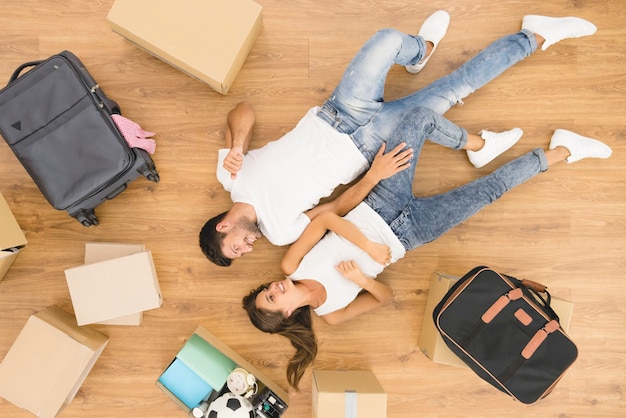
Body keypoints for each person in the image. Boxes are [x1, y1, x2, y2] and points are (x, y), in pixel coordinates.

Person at [242, 105, 612, 390]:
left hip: (381, 202)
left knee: (418, 119)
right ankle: (563, 150)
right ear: (288, 316)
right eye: (273, 299)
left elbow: (324, 221)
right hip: (412, 235)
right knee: (488, 192)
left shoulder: (292, 266)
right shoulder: (332, 314)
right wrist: (365, 281)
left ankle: (477, 145)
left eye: (265, 291)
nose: (273, 288)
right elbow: (384, 298)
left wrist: (369, 247)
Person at [200, 12, 598, 266]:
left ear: (223, 227)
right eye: (243, 253)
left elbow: (244, 111)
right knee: (454, 90)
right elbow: (335, 208)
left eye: (237, 247)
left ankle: (420, 51)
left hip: (337, 111)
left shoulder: (231, 177)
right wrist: (374, 174)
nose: (247, 248)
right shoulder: (280, 232)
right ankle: (534, 37)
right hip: (371, 145)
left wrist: (237, 147)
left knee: (387, 39)